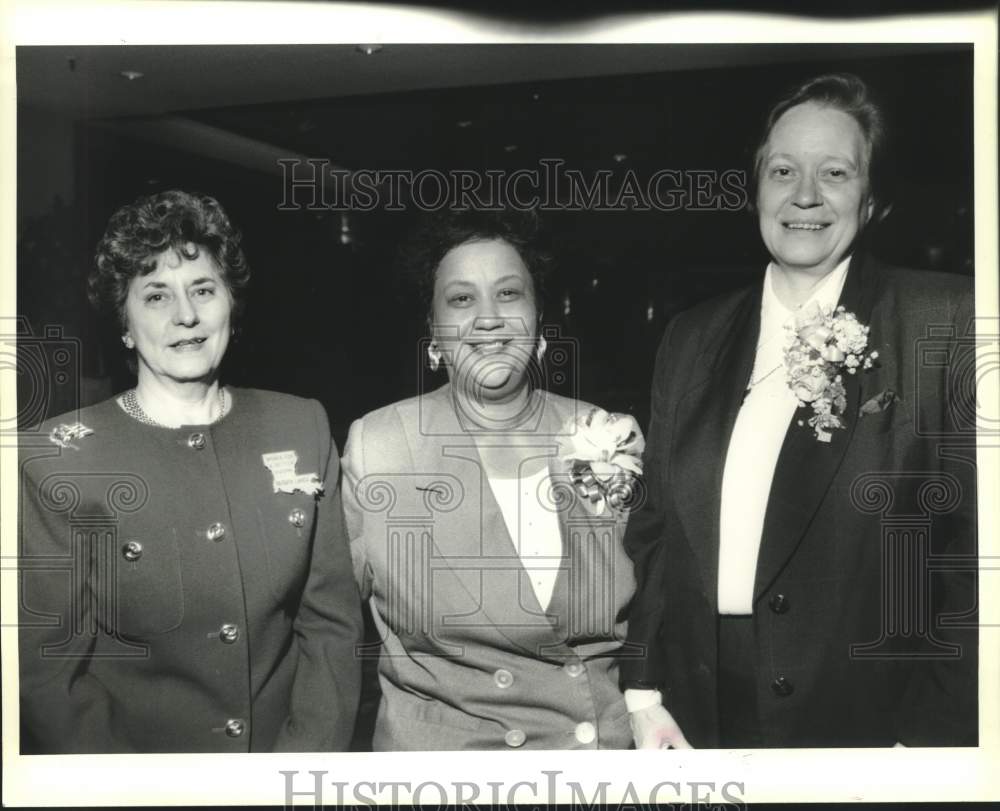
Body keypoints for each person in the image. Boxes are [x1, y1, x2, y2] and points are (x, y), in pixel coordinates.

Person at [622, 73, 977, 748]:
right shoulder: (691, 336)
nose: (804, 195)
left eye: (835, 172)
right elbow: (658, 532)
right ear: (756, 188)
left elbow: (976, 561)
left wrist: (933, 741)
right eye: (783, 170)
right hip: (697, 718)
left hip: (873, 728)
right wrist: (644, 693)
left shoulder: (946, 321)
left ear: (870, 202)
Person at [18, 189, 363, 753]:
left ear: (231, 303)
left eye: (203, 289)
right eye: (156, 296)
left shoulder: (299, 425)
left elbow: (331, 630)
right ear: (124, 324)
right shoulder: (56, 457)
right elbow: (49, 675)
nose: (186, 315)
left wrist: (297, 777)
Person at [342, 209, 642, 750]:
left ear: (538, 317)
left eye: (509, 294)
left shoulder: (606, 436)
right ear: (433, 333)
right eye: (461, 299)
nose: (488, 318)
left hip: (595, 771)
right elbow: (326, 625)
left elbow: (662, 608)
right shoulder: (381, 446)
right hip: (445, 777)